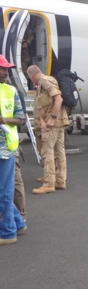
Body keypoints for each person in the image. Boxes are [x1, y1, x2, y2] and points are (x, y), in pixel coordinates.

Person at [27, 65, 69, 194]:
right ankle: (60, 180)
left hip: (52, 124)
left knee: (47, 152)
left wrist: (52, 119)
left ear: (32, 76)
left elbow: (58, 99)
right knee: (59, 151)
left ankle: (49, 183)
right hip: (58, 123)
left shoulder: (45, 81)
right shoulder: (43, 83)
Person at [0, 54, 27, 245]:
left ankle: (8, 233)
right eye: (2, 68)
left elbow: (21, 119)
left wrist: (4, 120)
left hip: (6, 149)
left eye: (6, 69)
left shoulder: (11, 91)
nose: (5, 72)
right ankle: (17, 223)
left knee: (4, 191)